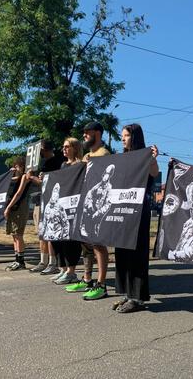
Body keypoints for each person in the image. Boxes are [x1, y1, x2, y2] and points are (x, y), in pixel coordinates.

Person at [112, 123, 159, 313]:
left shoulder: (145, 156)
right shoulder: (121, 158)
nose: (122, 139)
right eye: (122, 135)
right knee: (122, 253)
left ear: (135, 137)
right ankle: (126, 293)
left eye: (126, 135)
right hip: (121, 211)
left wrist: (152, 159)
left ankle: (137, 297)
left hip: (138, 213)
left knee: (136, 255)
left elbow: (153, 174)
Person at [65, 122, 110, 300]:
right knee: (85, 244)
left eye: (87, 132)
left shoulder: (104, 154)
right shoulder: (87, 155)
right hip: (84, 205)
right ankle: (87, 279)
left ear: (97, 133)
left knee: (98, 245)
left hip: (97, 210)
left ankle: (101, 284)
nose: (84, 135)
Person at [49, 137, 83, 285]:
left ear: (75, 148)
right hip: (60, 205)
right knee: (57, 239)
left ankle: (71, 272)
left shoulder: (81, 165)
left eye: (67, 146)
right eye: (63, 146)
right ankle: (63, 269)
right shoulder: (63, 165)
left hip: (72, 208)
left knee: (71, 241)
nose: (64, 149)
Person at [29, 140, 63, 275]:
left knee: (50, 233)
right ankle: (43, 261)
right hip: (42, 201)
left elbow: (46, 183)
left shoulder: (57, 162)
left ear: (44, 149)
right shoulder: (46, 163)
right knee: (42, 233)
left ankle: (52, 263)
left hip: (51, 202)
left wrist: (32, 177)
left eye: (41, 150)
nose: (39, 153)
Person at [3, 157, 32, 271]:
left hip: (19, 206)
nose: (15, 168)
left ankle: (21, 261)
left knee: (18, 234)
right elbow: (7, 180)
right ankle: (16, 259)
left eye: (17, 166)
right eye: (14, 166)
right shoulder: (17, 177)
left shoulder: (25, 176)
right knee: (14, 234)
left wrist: (8, 207)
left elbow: (19, 193)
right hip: (14, 207)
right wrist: (9, 173)